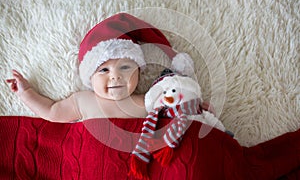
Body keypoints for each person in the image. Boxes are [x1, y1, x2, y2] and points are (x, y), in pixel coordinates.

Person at [6, 13, 211, 122]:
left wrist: (196, 109)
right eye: (103, 70)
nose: (115, 76)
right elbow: (51, 111)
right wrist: (26, 93)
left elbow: (176, 110)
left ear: (139, 73)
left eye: (125, 68)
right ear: (89, 77)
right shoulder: (82, 101)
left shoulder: (148, 100)